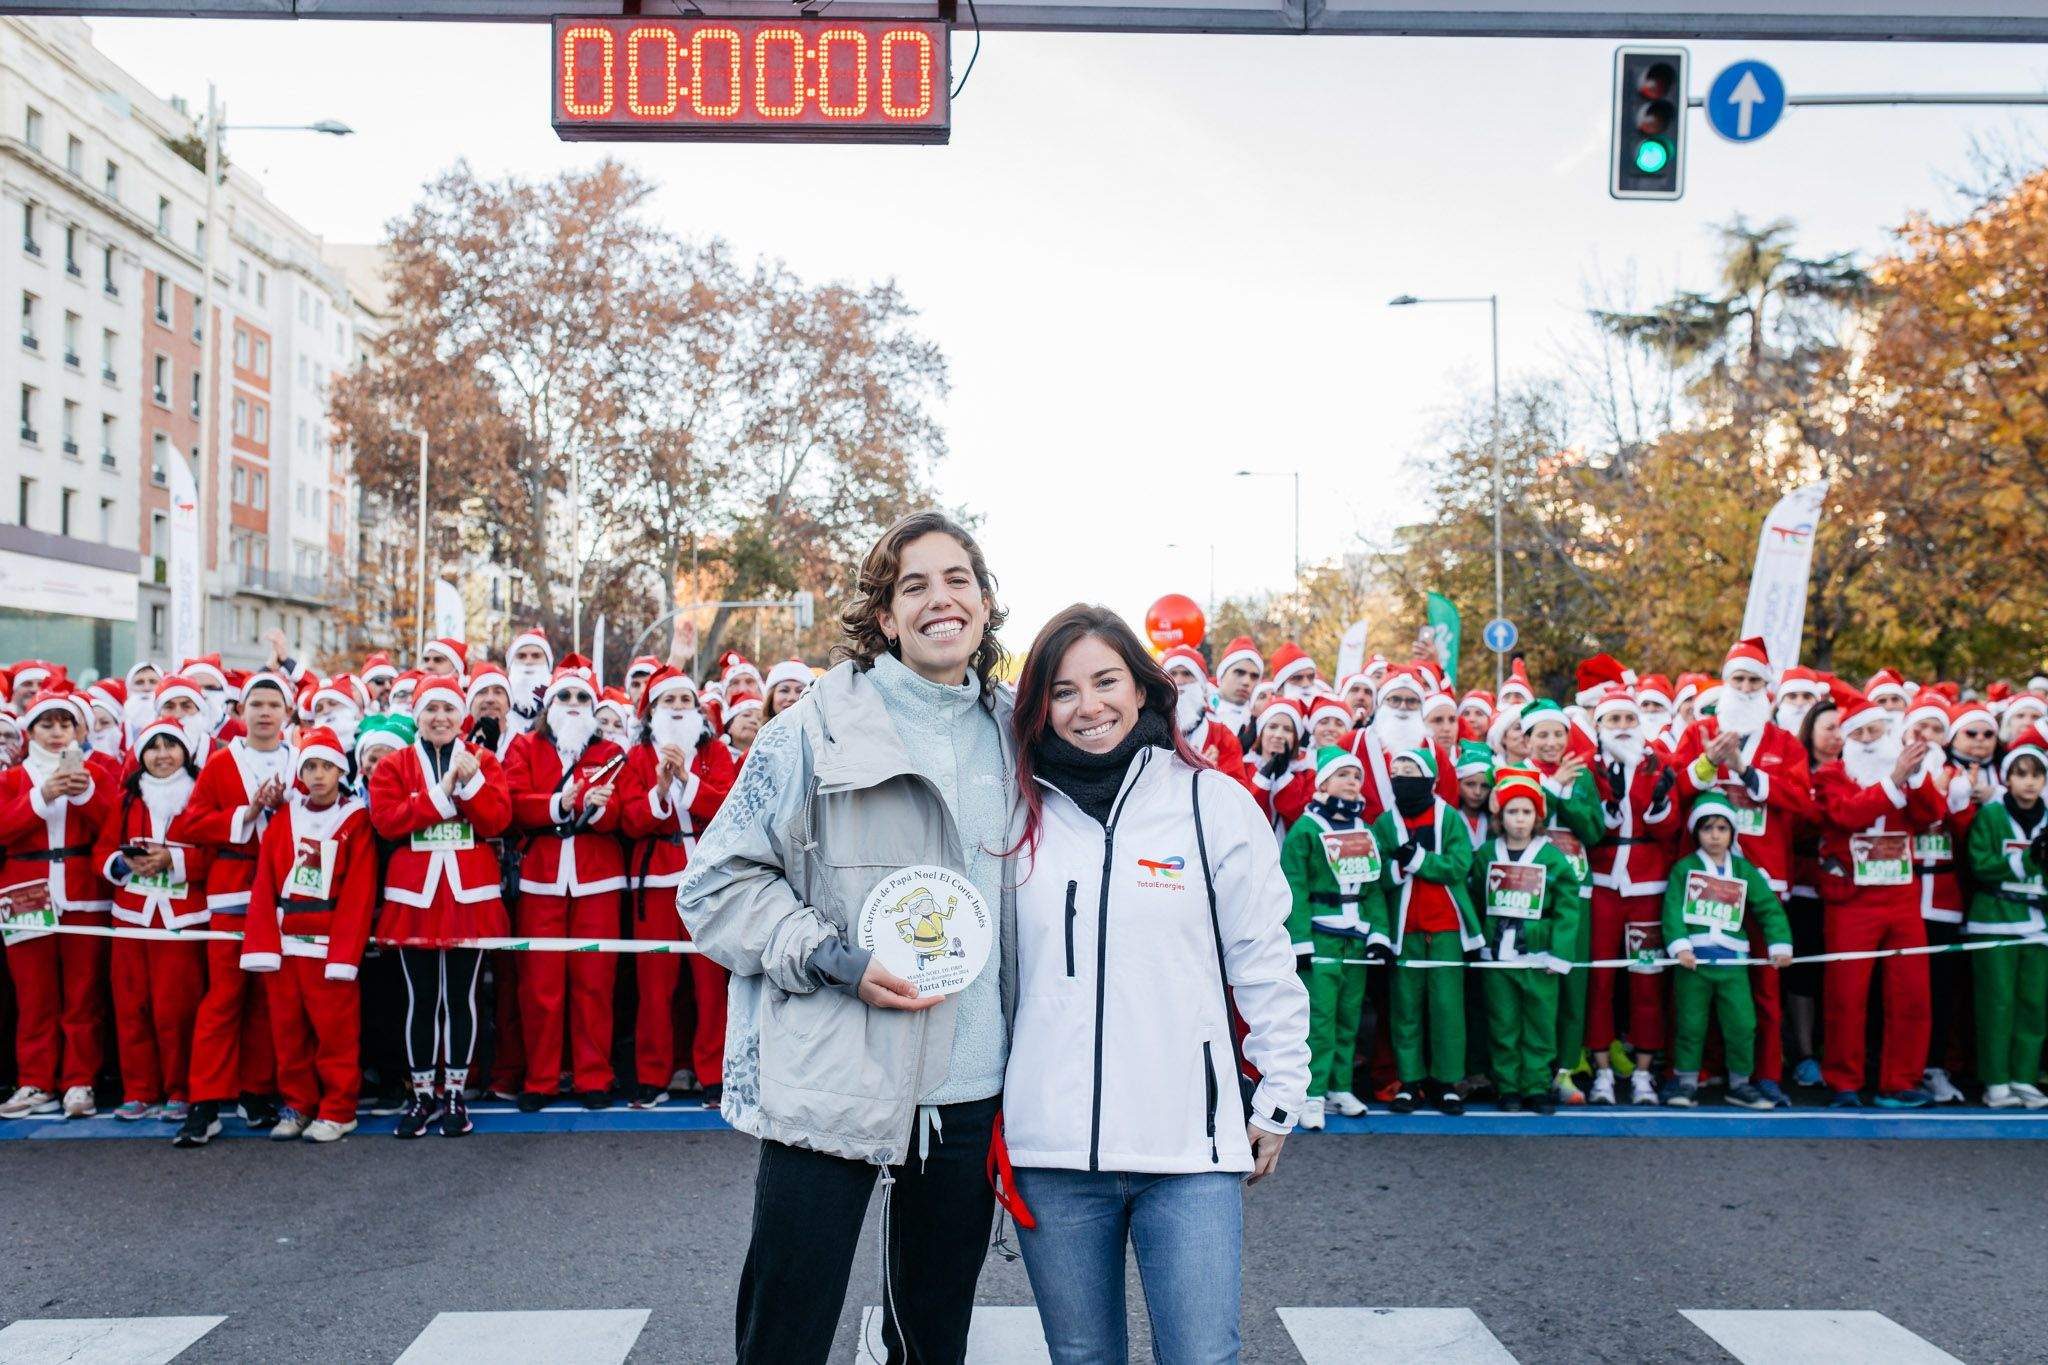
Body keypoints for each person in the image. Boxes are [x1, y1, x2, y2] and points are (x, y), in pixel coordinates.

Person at [677, 509, 1015, 1365]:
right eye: (914, 585)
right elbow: (714, 884)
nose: (941, 599)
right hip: (833, 1081)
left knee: (933, 1342)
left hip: (971, 1091)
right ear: (887, 616)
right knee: (784, 1339)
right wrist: (829, 956)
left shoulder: (1022, 735)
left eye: (958, 580)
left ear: (983, 603)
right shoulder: (810, 730)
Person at [1001, 604, 1307, 1365]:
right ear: (1039, 705)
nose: (1089, 705)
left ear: (1143, 689)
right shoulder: (1009, 814)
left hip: (1190, 1151)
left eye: (1106, 680)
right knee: (1082, 1358)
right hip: (1052, 1154)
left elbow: (1264, 956)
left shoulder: (1211, 803)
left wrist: (1280, 1090)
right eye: (1064, 691)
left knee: (1203, 1356)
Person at [368, 674, 514, 1139]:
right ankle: (421, 1094)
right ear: (417, 717)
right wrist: (441, 792)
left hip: (468, 891)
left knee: (461, 995)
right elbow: (388, 820)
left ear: (461, 716)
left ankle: (454, 1092)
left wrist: (467, 787)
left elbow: (498, 818)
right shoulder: (393, 764)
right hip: (416, 894)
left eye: (449, 710)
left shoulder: (483, 760)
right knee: (422, 996)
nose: (440, 718)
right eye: (431, 710)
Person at [1669, 639, 1814, 1109]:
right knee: (1703, 983)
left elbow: (1803, 803)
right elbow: (1674, 794)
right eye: (1739, 680)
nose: (1747, 688)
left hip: (1765, 877)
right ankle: (1705, 1070)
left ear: (1767, 688)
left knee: (1764, 987)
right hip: (1707, 876)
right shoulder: (1701, 731)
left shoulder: (1784, 743)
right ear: (1725, 683)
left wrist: (1748, 771)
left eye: (1755, 681)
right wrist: (1709, 762)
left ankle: (1765, 1074)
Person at [169, 670, 297, 1143]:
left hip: (286, 892)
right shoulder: (223, 764)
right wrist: (246, 812)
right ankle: (204, 1101)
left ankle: (256, 1089)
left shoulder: (302, 760)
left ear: (288, 713)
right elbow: (191, 824)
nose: (264, 713)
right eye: (255, 704)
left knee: (270, 998)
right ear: (240, 712)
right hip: (233, 893)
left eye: (273, 705)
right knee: (224, 998)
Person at [237, 726, 378, 1142]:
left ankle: (338, 1108)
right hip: (285, 943)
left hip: (327, 944)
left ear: (340, 772)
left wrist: (344, 954)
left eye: (327, 767)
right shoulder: (284, 817)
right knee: (288, 1031)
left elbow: (359, 893)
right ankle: (297, 1103)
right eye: (310, 766)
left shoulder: (356, 821)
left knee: (335, 1033)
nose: (318, 775)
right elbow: (264, 882)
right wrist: (263, 944)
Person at [1813, 684, 1945, 1108]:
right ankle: (1844, 1082)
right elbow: (1846, 815)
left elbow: (1932, 816)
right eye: (1859, 734)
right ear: (1846, 741)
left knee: (1912, 992)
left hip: (1901, 895)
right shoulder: (1832, 776)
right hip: (1852, 899)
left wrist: (1916, 776)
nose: (1868, 740)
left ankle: (1900, 1081)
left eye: (1875, 731)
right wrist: (1894, 781)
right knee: (1846, 995)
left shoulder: (1903, 773)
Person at [504, 667, 629, 1111]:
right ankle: (540, 1078)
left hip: (598, 879)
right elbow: (513, 804)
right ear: (549, 705)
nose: (574, 701)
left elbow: (625, 816)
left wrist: (599, 809)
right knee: (540, 985)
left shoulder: (613, 751)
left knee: (595, 982)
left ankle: (594, 1076)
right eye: (565, 695)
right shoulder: (524, 747)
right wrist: (562, 802)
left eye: (582, 696)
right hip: (542, 878)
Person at [619, 667, 737, 1107]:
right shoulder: (636, 758)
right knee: (654, 985)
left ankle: (713, 1075)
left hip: (708, 880)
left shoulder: (716, 753)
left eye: (685, 701)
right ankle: (652, 1076)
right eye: (668, 702)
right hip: (655, 881)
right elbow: (629, 821)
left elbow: (730, 807)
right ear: (652, 711)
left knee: (710, 985)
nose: (678, 709)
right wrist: (660, 789)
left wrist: (688, 780)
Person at [0, 687, 110, 1120]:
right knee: (34, 994)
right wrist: (43, 795)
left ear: (78, 729)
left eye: (66, 724)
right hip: (24, 889)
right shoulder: (12, 779)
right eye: (47, 724)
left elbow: (111, 823)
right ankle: (37, 1080)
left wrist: (83, 793)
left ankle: (80, 1080)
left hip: (83, 892)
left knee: (83, 994)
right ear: (30, 731)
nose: (57, 732)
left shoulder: (98, 770)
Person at [93, 720, 209, 1125]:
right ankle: (139, 1089)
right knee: (131, 1006)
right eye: (153, 747)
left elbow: (217, 853)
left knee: (176, 1009)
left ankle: (181, 1088)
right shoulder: (127, 800)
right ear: (141, 754)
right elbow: (102, 852)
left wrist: (173, 861)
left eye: (171, 746)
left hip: (182, 919)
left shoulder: (202, 794)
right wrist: (122, 863)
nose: (162, 755)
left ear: (186, 751)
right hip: (130, 917)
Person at [1660, 791, 1793, 1109]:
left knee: (1741, 1024)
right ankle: (1687, 1081)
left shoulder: (1745, 869)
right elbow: (1672, 910)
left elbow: (1768, 909)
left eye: (1722, 828)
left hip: (1733, 965)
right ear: (1697, 833)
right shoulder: (1684, 868)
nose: (1715, 835)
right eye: (1707, 828)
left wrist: (1779, 944)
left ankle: (1740, 1084)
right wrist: (1680, 947)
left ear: (1732, 832)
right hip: (1694, 964)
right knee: (1690, 1023)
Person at [1282, 745, 1389, 1130]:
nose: (1352, 782)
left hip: (1354, 940)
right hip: (1322, 938)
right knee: (1319, 1020)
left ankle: (1340, 1086)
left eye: (1357, 776)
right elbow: (1293, 885)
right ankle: (1311, 1093)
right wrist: (1301, 942)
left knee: (1350, 1017)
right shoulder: (1307, 829)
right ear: (1323, 782)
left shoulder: (1365, 831)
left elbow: (1374, 888)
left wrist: (1378, 934)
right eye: (1343, 774)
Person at [1370, 745, 1481, 1115]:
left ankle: (1447, 1082)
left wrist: (1416, 859)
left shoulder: (1449, 817)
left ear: (1430, 778)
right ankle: (1410, 1081)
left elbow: (1459, 865)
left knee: (1448, 1007)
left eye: (1411, 771)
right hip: (1405, 930)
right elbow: (1376, 873)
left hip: (1446, 925)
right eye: (1396, 772)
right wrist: (1398, 868)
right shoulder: (1385, 823)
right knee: (1406, 1008)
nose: (1403, 778)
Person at [1585, 684, 1679, 1106]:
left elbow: (1669, 827)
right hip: (1604, 885)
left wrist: (1659, 804)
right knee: (1600, 979)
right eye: (1613, 719)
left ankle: (1644, 1071)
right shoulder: (1589, 768)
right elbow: (1586, 826)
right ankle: (1602, 1067)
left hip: (1646, 888)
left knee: (1646, 979)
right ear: (1598, 725)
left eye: (1629, 719)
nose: (1622, 727)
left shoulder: (1658, 765)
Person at [1469, 768, 1580, 1114]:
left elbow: (1567, 907)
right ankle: (1508, 1087)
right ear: (1501, 816)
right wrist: (1477, 940)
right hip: (1498, 957)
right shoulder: (1487, 853)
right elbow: (1474, 897)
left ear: (1537, 817)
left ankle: (1535, 1085)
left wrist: (1560, 953)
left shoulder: (1551, 856)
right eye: (1513, 812)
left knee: (1539, 1025)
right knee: (1503, 1024)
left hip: (1538, 956)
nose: (1520, 819)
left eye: (1527, 812)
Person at [1519, 700, 1601, 1104]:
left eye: (1558, 734)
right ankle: (1529, 1067)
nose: (1551, 742)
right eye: (1542, 734)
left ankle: (1565, 1069)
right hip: (1528, 895)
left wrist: (1567, 791)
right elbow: (1522, 817)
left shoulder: (1581, 777)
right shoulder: (1518, 773)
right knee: (1533, 983)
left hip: (1576, 891)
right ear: (1527, 739)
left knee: (1571, 982)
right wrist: (1550, 788)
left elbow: (1593, 829)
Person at [1963, 725, 2048, 1109]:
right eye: (2021, 774)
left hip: (2038, 925)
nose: (2030, 783)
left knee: (2034, 1003)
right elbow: (1981, 865)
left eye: (2037, 775)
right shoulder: (1992, 815)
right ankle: (1996, 1080)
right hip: (1993, 921)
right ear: (2007, 778)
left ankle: (2024, 1076)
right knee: (1997, 1004)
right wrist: (2028, 859)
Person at [1245, 697, 1312, 838]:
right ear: (1262, 731)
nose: (1279, 735)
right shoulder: (1245, 766)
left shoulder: (1305, 771)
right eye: (1272, 726)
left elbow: (1301, 817)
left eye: (1287, 729)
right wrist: (1263, 780)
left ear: (1296, 737)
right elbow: (1246, 814)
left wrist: (1284, 780)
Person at [1211, 636, 1263, 741]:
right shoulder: (1198, 712)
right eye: (1239, 672)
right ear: (1222, 674)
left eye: (1254, 676)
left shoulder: (1261, 722)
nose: (1246, 682)